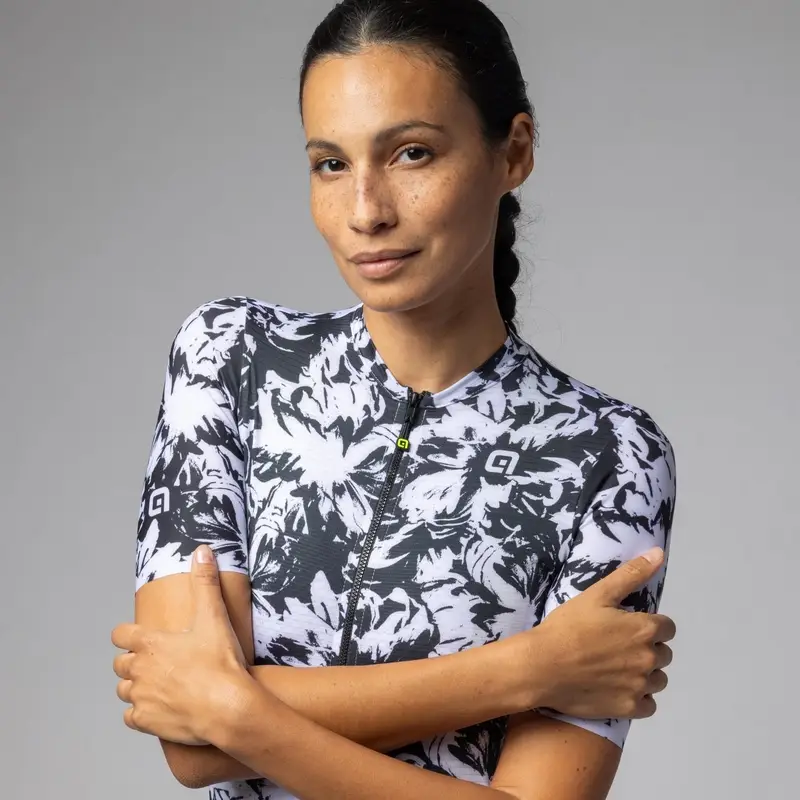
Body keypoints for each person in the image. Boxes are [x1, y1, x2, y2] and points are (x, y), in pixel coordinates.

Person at [111, 1, 678, 798]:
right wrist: (527, 668)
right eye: (330, 164)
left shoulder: (609, 455)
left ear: (514, 152)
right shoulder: (230, 358)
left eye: (412, 154)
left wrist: (236, 712)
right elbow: (191, 747)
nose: (366, 212)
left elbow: (208, 720)